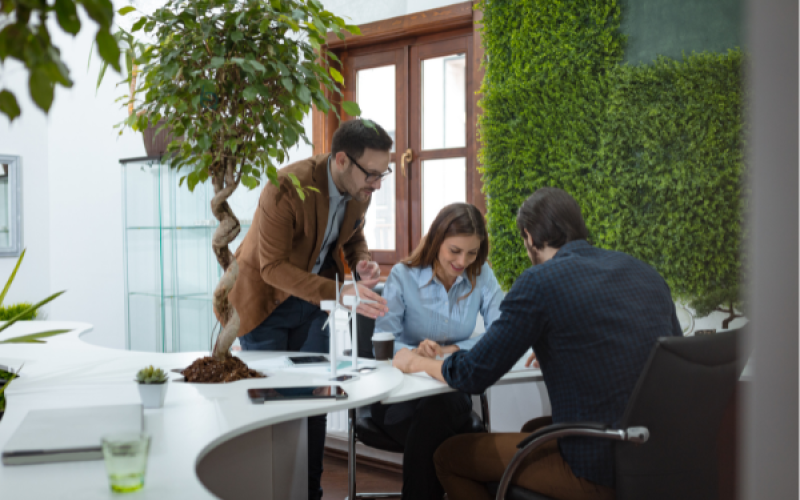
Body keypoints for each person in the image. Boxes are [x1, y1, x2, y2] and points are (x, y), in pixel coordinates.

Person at [393, 187, 682, 500]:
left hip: (600, 469)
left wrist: (419, 363)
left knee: (448, 456)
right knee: (533, 429)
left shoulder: (540, 282)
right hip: (659, 455)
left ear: (529, 237)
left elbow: (474, 376)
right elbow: (669, 358)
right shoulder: (645, 273)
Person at [229, 119, 392, 500]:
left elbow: (353, 233)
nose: (378, 185)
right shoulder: (286, 187)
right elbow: (271, 268)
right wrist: (340, 292)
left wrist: (362, 260)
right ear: (340, 160)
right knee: (272, 402)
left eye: (383, 174)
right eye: (372, 174)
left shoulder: (360, 188)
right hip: (264, 304)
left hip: (316, 303)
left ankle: (311, 492)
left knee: (317, 398)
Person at [371, 202, 504, 500]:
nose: (463, 261)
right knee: (443, 438)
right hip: (397, 397)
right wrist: (414, 352)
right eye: (455, 250)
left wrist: (455, 348)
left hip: (447, 394)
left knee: (435, 416)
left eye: (472, 253)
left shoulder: (481, 276)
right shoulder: (403, 276)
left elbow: (502, 332)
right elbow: (383, 342)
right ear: (436, 240)